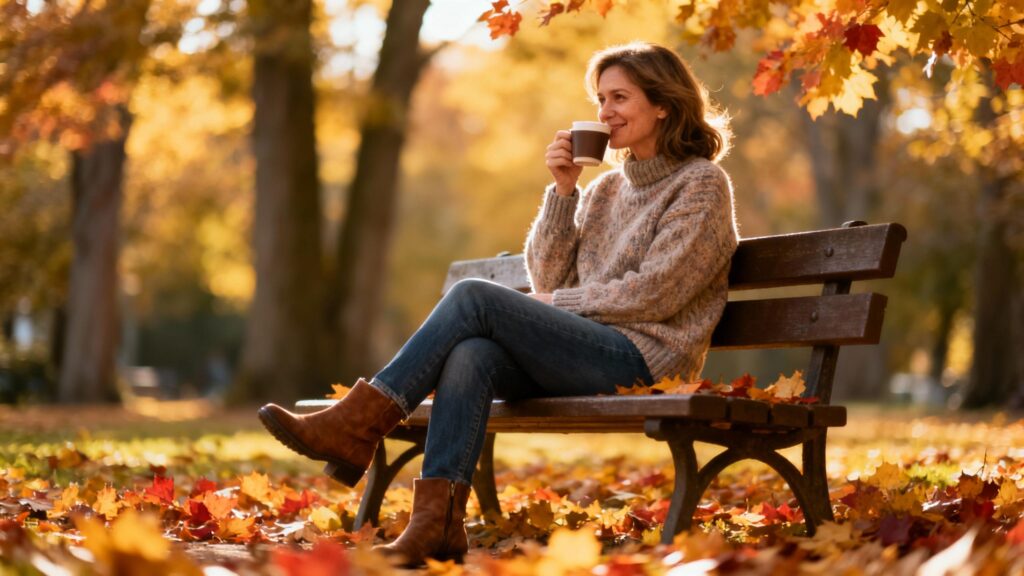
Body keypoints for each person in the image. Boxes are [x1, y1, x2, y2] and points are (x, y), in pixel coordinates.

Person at [258, 41, 738, 566]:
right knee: (472, 357)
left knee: (473, 298)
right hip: (588, 351)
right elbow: (549, 276)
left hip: (647, 358)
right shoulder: (603, 194)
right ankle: (436, 526)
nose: (604, 113)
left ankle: (357, 426)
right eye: (600, 99)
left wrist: (563, 302)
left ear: (663, 103)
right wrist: (562, 191)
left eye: (619, 97)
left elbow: (658, 292)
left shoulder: (702, 184)